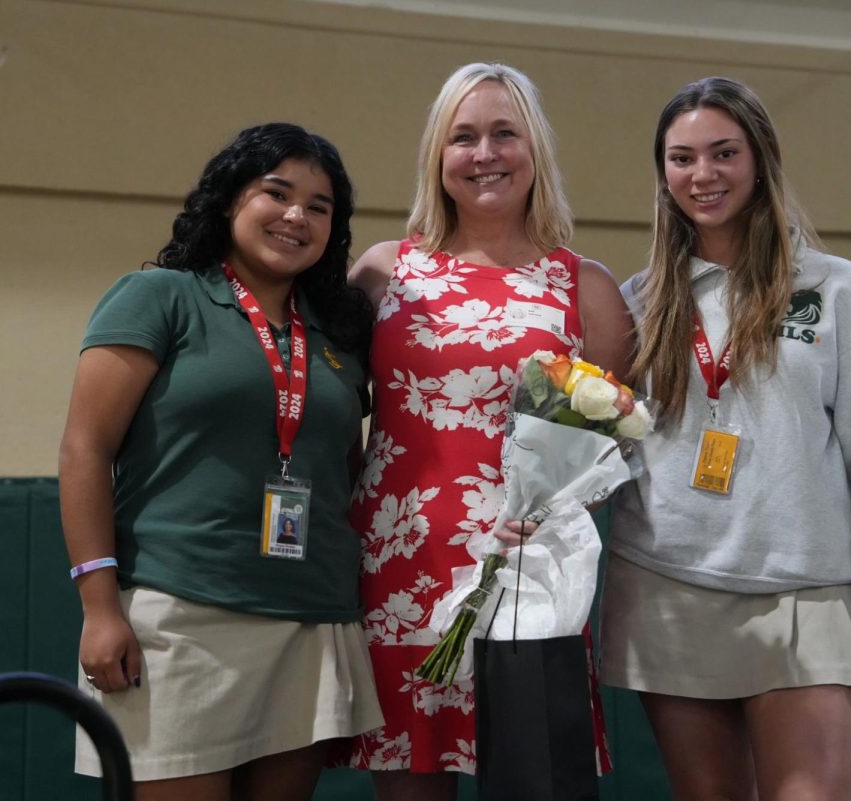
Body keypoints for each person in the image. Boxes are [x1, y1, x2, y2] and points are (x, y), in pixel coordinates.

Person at [602, 76, 851, 800]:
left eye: (724, 153)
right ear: (662, 173)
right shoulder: (638, 301)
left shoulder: (837, 290)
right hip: (668, 585)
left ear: (760, 160)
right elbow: (605, 449)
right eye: (682, 157)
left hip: (805, 592)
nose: (703, 174)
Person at [58, 122, 383, 801]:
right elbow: (85, 448)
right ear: (230, 199)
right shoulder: (160, 297)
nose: (297, 215)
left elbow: (346, 469)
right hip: (181, 617)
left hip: (309, 618)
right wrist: (99, 606)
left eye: (319, 206)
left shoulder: (339, 334)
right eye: (277, 192)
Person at [346, 62, 635, 800]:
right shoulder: (384, 273)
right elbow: (330, 414)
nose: (485, 154)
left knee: (537, 781)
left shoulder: (585, 287)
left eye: (505, 133)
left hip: (531, 574)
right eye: (463, 136)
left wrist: (554, 521)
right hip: (399, 569)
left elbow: (613, 447)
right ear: (437, 159)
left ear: (534, 150)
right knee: (411, 782)